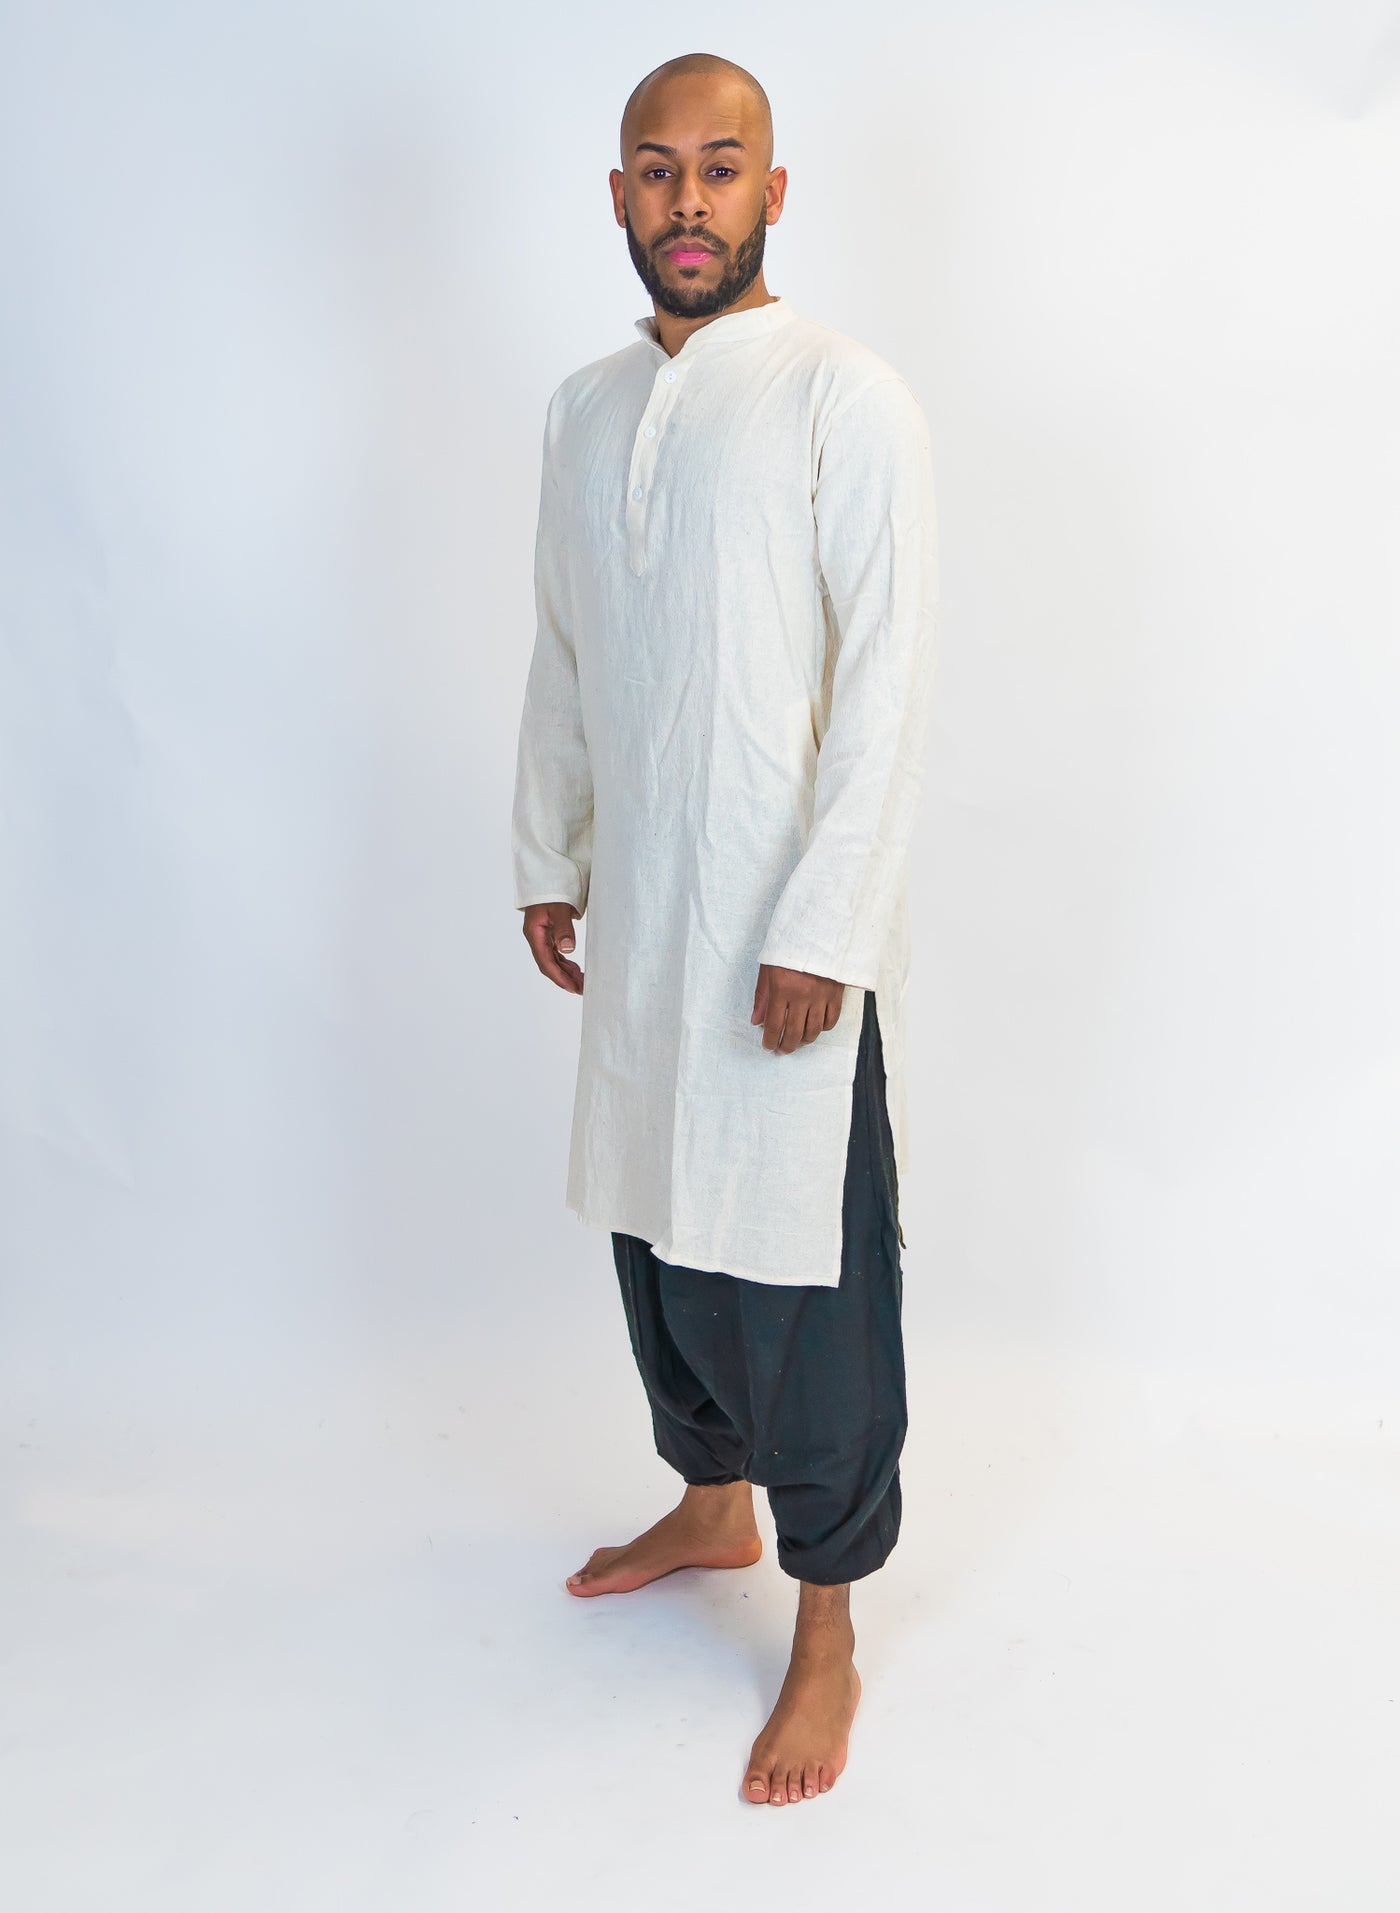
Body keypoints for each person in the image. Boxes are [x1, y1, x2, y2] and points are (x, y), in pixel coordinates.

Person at [510, 51, 939, 1807]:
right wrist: (551, 850)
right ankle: (710, 1502)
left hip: (781, 928)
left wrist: (828, 925)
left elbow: (890, 683)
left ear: (774, 191)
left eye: (720, 165)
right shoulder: (584, 409)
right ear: (618, 195)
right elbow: (564, 643)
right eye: (657, 168)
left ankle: (827, 1625)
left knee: (802, 1281)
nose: (688, 199)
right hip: (646, 917)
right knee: (660, 1233)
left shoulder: (845, 396)